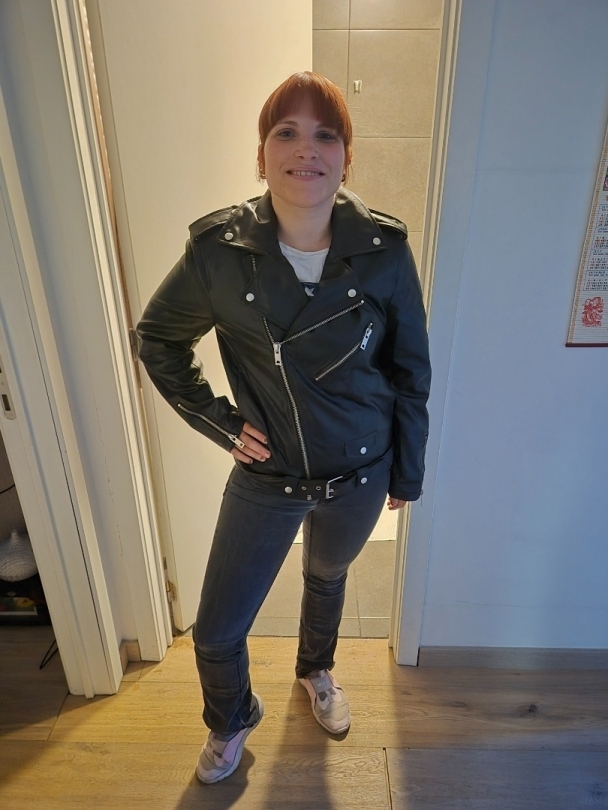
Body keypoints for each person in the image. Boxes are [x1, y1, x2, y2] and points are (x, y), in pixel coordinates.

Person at [137, 71, 431, 784]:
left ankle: (316, 669)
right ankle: (232, 718)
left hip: (361, 466)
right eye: (286, 132)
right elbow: (159, 339)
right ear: (261, 154)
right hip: (268, 475)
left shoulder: (385, 251)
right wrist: (220, 422)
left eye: (326, 135)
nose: (307, 149)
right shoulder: (218, 252)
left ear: (346, 158)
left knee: (326, 576)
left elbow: (410, 368)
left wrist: (407, 471)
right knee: (216, 631)